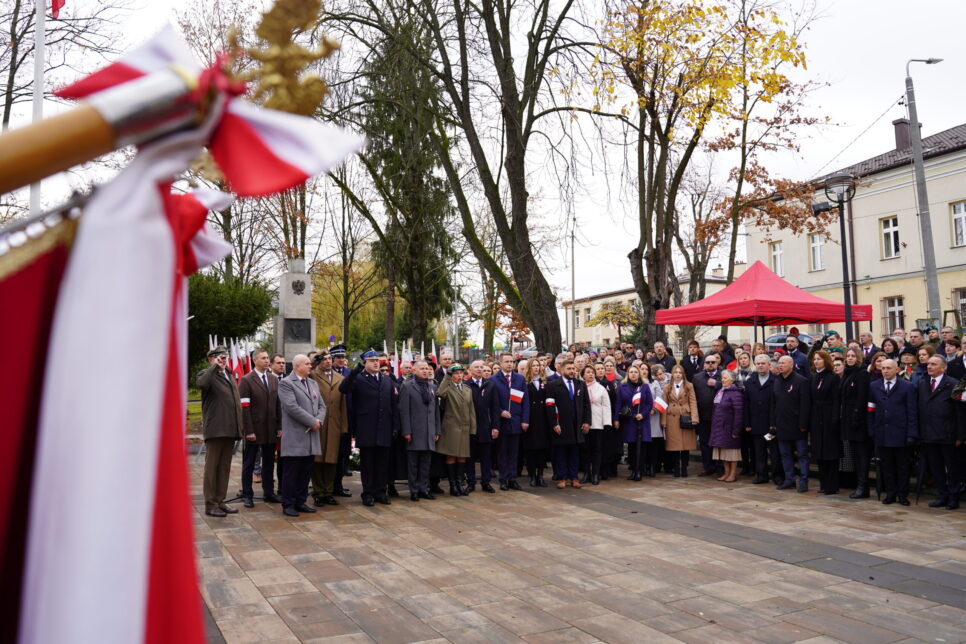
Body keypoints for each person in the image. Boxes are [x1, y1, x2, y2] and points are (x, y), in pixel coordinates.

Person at [339, 350, 399, 507]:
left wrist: (395, 426)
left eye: (377, 360)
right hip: (367, 428)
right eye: (371, 361)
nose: (376, 363)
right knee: (368, 464)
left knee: (382, 464)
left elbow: (393, 405)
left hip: (384, 428)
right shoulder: (358, 378)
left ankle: (380, 492)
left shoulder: (387, 380)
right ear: (364, 363)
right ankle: (368, 493)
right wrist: (354, 372)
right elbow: (344, 389)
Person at [277, 354, 325, 517]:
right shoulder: (286, 383)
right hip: (296, 436)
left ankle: (300, 501)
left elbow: (322, 405)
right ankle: (288, 503)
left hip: (311, 436)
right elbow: (291, 407)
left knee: (305, 471)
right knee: (292, 472)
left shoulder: (312, 383)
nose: (311, 366)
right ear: (297, 366)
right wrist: (312, 421)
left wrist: (318, 420)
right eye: (307, 363)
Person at [197, 346, 243, 517]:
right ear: (211, 359)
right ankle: (210, 504)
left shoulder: (228, 375)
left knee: (224, 468)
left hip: (230, 429)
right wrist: (214, 367)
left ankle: (220, 501)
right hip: (216, 429)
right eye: (219, 357)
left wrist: (239, 426)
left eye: (224, 357)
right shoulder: (207, 374)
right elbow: (201, 384)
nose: (223, 360)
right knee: (212, 469)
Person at [869, 359, 918, 505]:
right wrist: (871, 429)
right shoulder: (874, 386)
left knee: (902, 466)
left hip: (900, 433)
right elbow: (870, 408)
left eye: (889, 368)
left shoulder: (907, 386)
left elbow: (912, 411)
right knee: (887, 465)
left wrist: (911, 433)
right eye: (883, 368)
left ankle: (903, 494)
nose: (885, 371)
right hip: (882, 432)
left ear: (896, 370)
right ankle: (890, 493)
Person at [238, 348, 282, 508]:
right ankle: (247, 495)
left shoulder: (273, 379)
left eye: (267, 358)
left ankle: (268, 493)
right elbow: (245, 407)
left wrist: (279, 426)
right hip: (254, 430)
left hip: (270, 429)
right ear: (254, 360)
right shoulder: (246, 380)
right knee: (249, 464)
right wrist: (249, 430)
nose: (266, 361)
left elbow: (278, 405)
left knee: (269, 464)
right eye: (263, 358)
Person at [917, 355, 962, 510]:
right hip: (929, 434)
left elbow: (960, 412)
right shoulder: (923, 384)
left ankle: (953, 497)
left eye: (933, 364)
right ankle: (942, 495)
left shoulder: (953, 384)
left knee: (952, 469)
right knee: (936, 468)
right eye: (928, 364)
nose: (929, 367)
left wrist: (960, 435)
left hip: (948, 435)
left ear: (943, 367)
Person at [308, 351, 347, 507]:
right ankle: (318, 492)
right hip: (319, 422)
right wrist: (315, 359)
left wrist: (344, 427)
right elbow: (306, 369)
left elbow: (343, 405)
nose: (328, 361)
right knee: (318, 459)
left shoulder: (340, 378)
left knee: (332, 459)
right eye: (324, 359)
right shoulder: (313, 375)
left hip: (334, 424)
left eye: (330, 358)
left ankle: (328, 491)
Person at [399, 360, 441, 501]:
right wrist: (406, 431)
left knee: (426, 463)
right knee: (413, 464)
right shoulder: (407, 387)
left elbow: (435, 411)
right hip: (415, 431)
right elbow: (404, 411)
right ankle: (414, 490)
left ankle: (424, 488)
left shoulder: (432, 387)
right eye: (422, 369)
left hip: (429, 431)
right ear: (414, 371)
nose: (425, 371)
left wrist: (437, 430)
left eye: (427, 369)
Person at [545, 360, 591, 488]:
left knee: (574, 452)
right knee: (561, 452)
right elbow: (549, 405)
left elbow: (586, 404)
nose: (572, 371)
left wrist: (587, 422)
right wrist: (554, 423)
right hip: (561, 424)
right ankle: (562, 478)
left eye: (573, 369)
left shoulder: (580, 384)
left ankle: (574, 477)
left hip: (577, 425)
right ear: (562, 370)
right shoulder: (553, 385)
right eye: (569, 369)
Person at [436, 363, 477, 497]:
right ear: (451, 375)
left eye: (461, 373)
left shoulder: (467, 389)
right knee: (451, 455)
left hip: (465, 427)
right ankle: (453, 486)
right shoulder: (448, 388)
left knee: (462, 456)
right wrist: (447, 377)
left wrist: (473, 428)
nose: (459, 376)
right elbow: (440, 393)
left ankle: (459, 484)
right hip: (451, 427)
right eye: (456, 374)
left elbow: (471, 410)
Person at [771, 355, 811, 493]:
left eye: (783, 363)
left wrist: (803, 424)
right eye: (779, 363)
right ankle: (790, 479)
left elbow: (805, 405)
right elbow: (774, 403)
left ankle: (804, 481)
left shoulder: (801, 381)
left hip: (797, 425)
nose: (780, 365)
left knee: (802, 455)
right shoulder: (777, 381)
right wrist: (773, 422)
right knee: (785, 454)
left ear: (791, 365)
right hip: (781, 424)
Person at [491, 352, 529, 491]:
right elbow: (491, 402)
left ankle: (512, 478)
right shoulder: (494, 379)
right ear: (501, 363)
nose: (510, 364)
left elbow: (525, 401)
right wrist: (500, 411)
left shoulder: (519, 379)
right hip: (501, 422)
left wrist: (525, 420)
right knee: (502, 452)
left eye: (512, 362)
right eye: (507, 361)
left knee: (514, 453)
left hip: (516, 421)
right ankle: (503, 479)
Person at [744, 354, 781, 485]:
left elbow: (778, 403)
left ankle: (777, 476)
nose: (760, 366)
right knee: (759, 452)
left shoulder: (776, 380)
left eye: (763, 363)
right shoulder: (750, 381)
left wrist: (775, 423)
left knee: (775, 452)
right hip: (756, 423)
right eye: (758, 364)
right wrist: (747, 423)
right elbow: (746, 403)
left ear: (769, 365)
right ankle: (761, 475)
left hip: (771, 424)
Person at [840, 347, 872, 499]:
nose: (850, 358)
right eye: (848, 356)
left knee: (861, 455)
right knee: (855, 455)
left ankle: (863, 486)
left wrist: (856, 416)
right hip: (848, 418)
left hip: (858, 421)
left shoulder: (862, 374)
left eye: (853, 356)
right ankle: (860, 485)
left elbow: (861, 397)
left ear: (858, 357)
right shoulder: (847, 373)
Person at [809, 350, 841, 495]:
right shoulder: (813, 377)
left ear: (825, 361)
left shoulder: (833, 377)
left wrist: (834, 418)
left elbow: (836, 399)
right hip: (816, 417)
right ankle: (823, 483)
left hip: (829, 418)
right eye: (814, 359)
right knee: (819, 453)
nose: (816, 361)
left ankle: (832, 485)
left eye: (819, 359)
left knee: (830, 453)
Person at [464, 360, 500, 493]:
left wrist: (495, 426)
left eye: (481, 367)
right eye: (476, 367)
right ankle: (471, 482)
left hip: (486, 426)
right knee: (470, 457)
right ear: (470, 370)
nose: (479, 369)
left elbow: (495, 407)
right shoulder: (465, 385)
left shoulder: (490, 385)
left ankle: (486, 482)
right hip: (470, 427)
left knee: (486, 457)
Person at [615, 364, 653, 481]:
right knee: (631, 447)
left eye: (635, 372)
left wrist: (643, 414)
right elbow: (618, 404)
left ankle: (639, 471)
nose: (633, 374)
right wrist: (616, 419)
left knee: (641, 447)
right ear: (627, 374)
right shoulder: (622, 386)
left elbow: (649, 403)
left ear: (639, 374)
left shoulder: (644, 387)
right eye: (631, 372)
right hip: (629, 421)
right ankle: (633, 470)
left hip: (641, 420)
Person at [661, 365, 698, 477]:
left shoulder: (689, 386)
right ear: (672, 374)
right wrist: (663, 421)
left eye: (680, 372)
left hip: (685, 417)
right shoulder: (667, 387)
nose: (678, 374)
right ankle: (677, 468)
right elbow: (664, 404)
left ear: (683, 374)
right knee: (674, 446)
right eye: (675, 372)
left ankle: (684, 469)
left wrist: (694, 418)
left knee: (686, 445)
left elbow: (693, 402)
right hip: (671, 418)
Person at [709, 370, 744, 483]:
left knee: (731, 453)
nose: (722, 380)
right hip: (719, 427)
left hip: (730, 428)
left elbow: (739, 413)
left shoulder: (736, 393)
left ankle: (732, 474)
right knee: (723, 452)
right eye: (722, 378)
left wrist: (736, 430)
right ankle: (726, 472)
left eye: (725, 378)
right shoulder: (721, 391)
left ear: (732, 380)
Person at [522, 358, 552, 487]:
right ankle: (532, 476)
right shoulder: (524, 383)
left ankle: (540, 475)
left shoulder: (546, 382)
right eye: (533, 365)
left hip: (543, 419)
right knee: (531, 449)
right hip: (530, 419)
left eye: (538, 365)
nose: (536, 368)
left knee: (541, 449)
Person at [692, 354, 723, 476]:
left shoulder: (724, 375)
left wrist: (717, 384)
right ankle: (707, 467)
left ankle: (720, 467)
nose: (710, 364)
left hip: (720, 417)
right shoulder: (697, 377)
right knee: (704, 443)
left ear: (717, 364)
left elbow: (733, 387)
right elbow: (693, 397)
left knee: (719, 442)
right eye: (708, 362)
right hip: (703, 416)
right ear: (704, 364)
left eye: (713, 362)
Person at [330, 344, 353, 499]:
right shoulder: (328, 373)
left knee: (343, 454)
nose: (341, 360)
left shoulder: (349, 373)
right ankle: (328, 485)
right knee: (332, 453)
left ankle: (338, 485)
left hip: (348, 418)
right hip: (333, 419)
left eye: (343, 357)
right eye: (338, 357)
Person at [582, 364, 612, 485]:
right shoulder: (580, 387)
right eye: (588, 372)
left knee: (596, 450)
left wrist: (607, 423)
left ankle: (595, 473)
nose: (591, 374)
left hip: (597, 423)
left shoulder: (601, 388)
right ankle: (586, 473)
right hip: (584, 423)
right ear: (583, 375)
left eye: (592, 372)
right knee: (585, 450)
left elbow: (606, 406)